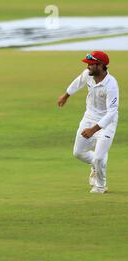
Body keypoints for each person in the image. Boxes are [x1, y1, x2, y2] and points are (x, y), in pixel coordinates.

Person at [57, 51, 119, 193]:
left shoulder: (111, 85)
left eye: (91, 64)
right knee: (78, 153)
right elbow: (78, 82)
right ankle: (97, 164)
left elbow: (112, 112)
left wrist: (93, 130)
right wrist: (66, 95)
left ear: (101, 66)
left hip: (106, 124)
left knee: (98, 158)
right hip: (89, 118)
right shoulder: (88, 74)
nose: (88, 67)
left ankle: (100, 186)